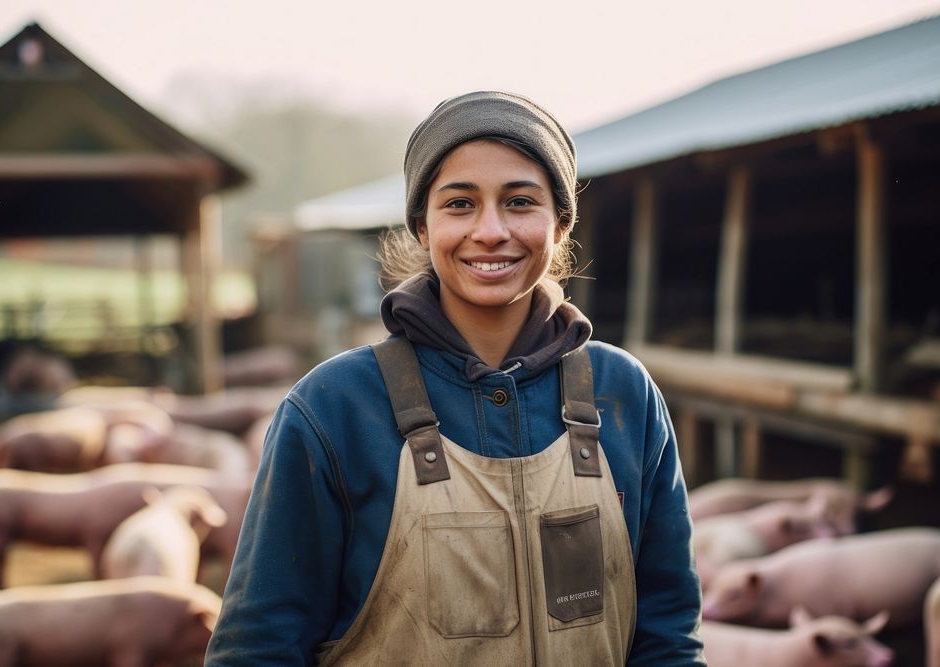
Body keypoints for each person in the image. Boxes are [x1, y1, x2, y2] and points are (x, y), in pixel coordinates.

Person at [205, 90, 705, 665]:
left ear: (561, 224)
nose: (491, 231)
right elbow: (257, 647)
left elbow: (668, 637)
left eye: (520, 202)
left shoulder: (624, 395)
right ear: (422, 225)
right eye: (460, 204)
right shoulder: (335, 407)